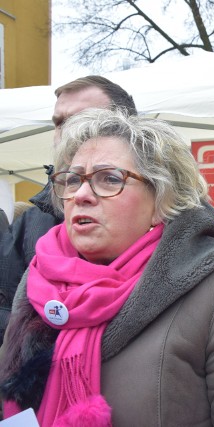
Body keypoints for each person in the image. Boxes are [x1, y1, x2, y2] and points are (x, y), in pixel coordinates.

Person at [0, 108, 214, 426]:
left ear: (161, 201)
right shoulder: (39, 278)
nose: (83, 195)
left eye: (110, 179)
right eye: (74, 180)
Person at [0, 76, 136, 347]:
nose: (65, 131)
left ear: (124, 127)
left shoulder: (165, 213)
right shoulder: (32, 220)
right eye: (59, 122)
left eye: (81, 119)